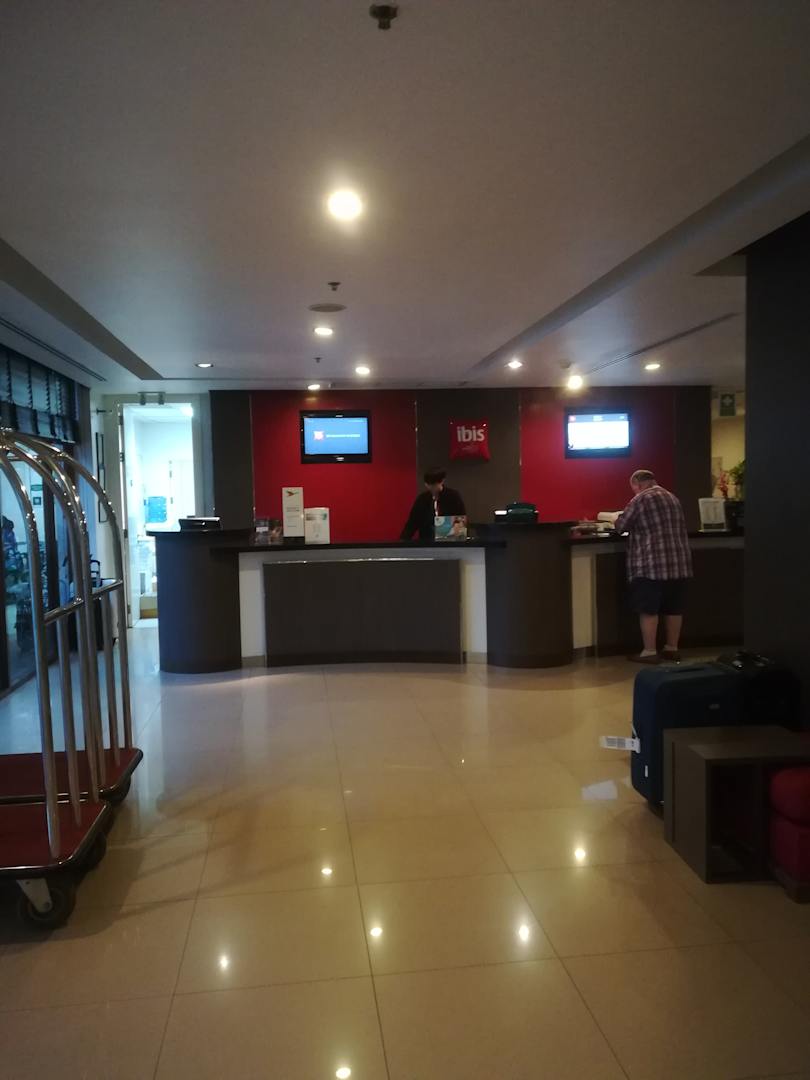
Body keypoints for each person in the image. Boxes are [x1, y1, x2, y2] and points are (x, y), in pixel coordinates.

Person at [614, 469, 692, 664]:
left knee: (649, 609)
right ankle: (672, 648)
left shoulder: (641, 499)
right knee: (674, 608)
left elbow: (622, 526)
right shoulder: (672, 498)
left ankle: (649, 651)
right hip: (678, 563)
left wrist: (615, 519)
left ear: (638, 484)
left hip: (651, 564)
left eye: (634, 488)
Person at [400, 468, 466, 541]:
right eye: (428, 484)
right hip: (426, 540)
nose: (431, 487)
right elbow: (412, 522)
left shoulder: (453, 497)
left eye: (434, 485)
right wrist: (403, 540)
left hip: (449, 542)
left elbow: (460, 523)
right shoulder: (422, 499)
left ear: (442, 481)